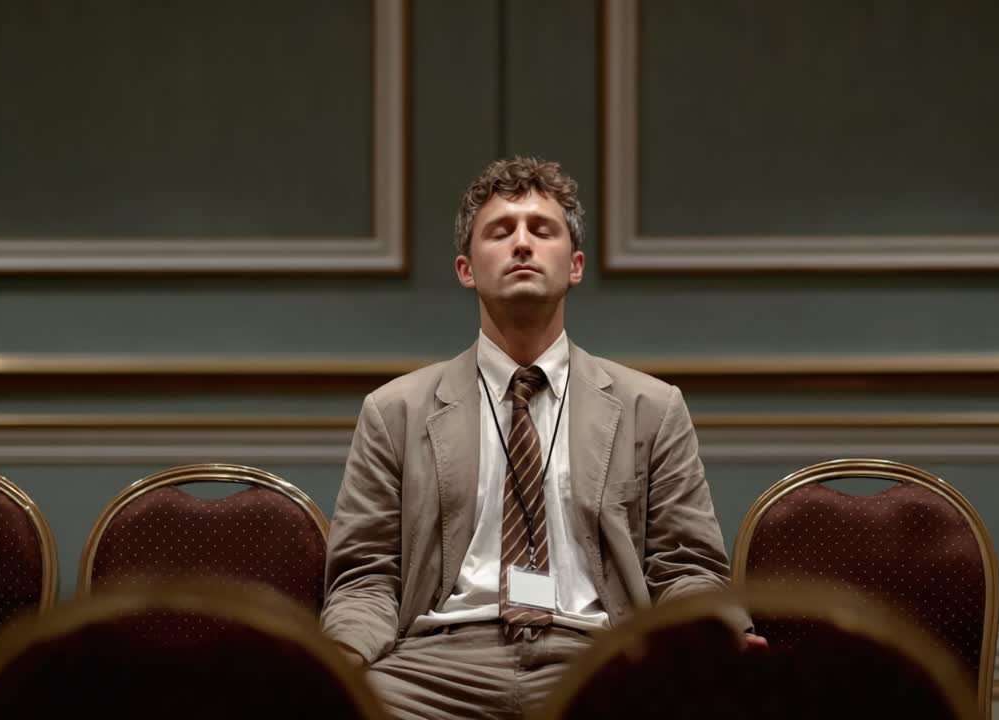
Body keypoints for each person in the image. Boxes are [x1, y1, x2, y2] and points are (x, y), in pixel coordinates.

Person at [321, 156, 761, 719]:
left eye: (542, 229)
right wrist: (338, 659)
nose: (523, 244)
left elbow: (685, 566)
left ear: (575, 266)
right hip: (434, 668)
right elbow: (366, 576)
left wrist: (718, 634)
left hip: (601, 657)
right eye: (501, 231)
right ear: (465, 269)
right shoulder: (395, 412)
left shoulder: (651, 408)